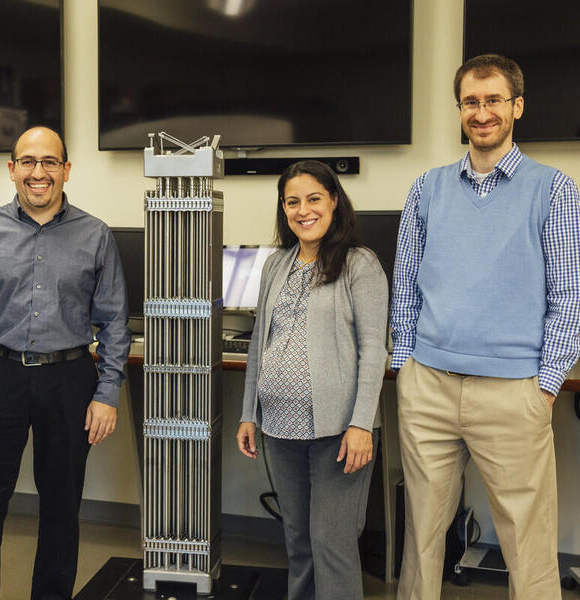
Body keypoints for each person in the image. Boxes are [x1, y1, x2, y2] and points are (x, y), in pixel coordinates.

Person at [391, 54, 580, 599]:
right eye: (471, 102)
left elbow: (569, 296)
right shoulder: (427, 188)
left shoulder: (554, 190)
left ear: (517, 107)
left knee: (528, 538)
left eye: (494, 99)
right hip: (428, 386)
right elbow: (406, 283)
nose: (482, 112)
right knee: (421, 536)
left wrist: (544, 384)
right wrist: (405, 363)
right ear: (460, 110)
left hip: (512, 392)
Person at [0, 126, 130, 600]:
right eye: (28, 162)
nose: (38, 172)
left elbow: (114, 322)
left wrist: (107, 394)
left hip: (69, 378)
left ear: (66, 171)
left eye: (49, 162)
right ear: (12, 170)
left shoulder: (95, 235)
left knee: (61, 507)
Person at [236, 160, 388, 600]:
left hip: (339, 432)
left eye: (314, 199)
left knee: (331, 545)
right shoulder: (275, 266)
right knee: (298, 543)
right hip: (279, 429)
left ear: (334, 202)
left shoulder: (360, 264)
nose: (304, 210)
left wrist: (361, 425)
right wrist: (250, 413)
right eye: (292, 202)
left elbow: (373, 350)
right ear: (284, 210)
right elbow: (257, 344)